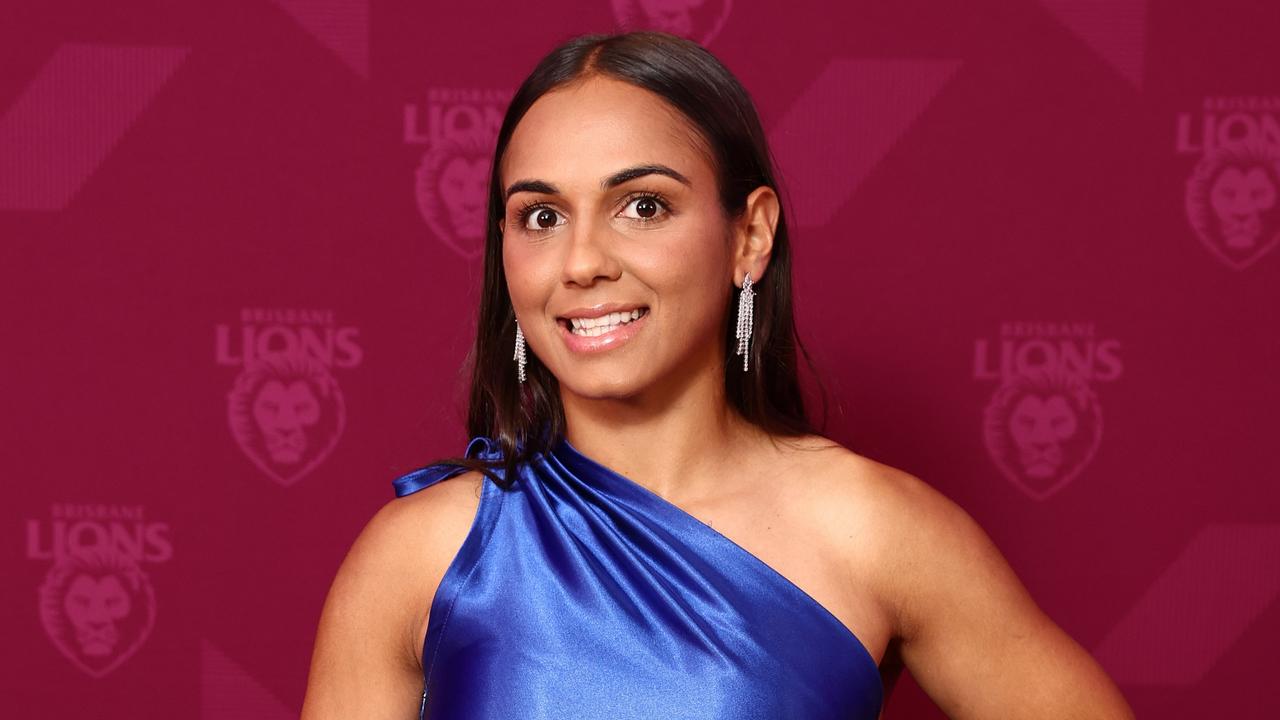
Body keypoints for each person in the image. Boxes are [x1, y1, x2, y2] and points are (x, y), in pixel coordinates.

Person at [301, 30, 1135, 720]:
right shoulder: (418, 555)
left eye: (644, 205)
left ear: (751, 236)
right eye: (542, 216)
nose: (582, 261)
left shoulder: (872, 529)